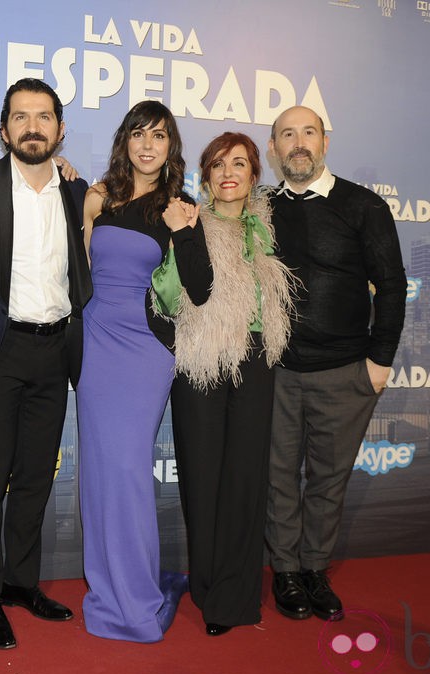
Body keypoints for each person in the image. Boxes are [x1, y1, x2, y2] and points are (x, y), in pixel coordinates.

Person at [0, 78, 91, 650]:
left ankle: (20, 583)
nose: (33, 126)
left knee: (35, 477)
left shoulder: (82, 194)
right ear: (4, 129)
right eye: (21, 116)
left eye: (44, 117)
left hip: (55, 351)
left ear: (59, 129)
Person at [264, 106, 406, 622]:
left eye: (308, 133)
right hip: (276, 372)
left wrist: (380, 361)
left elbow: (391, 285)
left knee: (328, 478)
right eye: (286, 135)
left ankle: (314, 570)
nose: (298, 143)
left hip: (346, 371)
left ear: (324, 141)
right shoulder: (259, 209)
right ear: (273, 149)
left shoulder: (363, 205)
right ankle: (284, 571)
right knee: (277, 476)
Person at [77, 100, 212, 643]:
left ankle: (135, 599)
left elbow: (199, 288)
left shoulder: (177, 206)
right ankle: (107, 586)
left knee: (129, 471)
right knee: (98, 472)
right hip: (93, 342)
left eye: (159, 135)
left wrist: (184, 231)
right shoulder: (98, 196)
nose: (148, 144)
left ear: (170, 147)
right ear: (125, 141)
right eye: (139, 133)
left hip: (145, 348)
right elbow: (79, 265)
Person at [153, 132, 296, 636]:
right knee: (204, 478)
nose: (229, 172)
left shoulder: (271, 228)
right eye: (218, 165)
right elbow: (169, 295)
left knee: (245, 480)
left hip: (257, 361)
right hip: (203, 361)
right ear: (206, 176)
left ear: (256, 174)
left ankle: (236, 595)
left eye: (240, 163)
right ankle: (209, 586)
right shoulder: (189, 222)